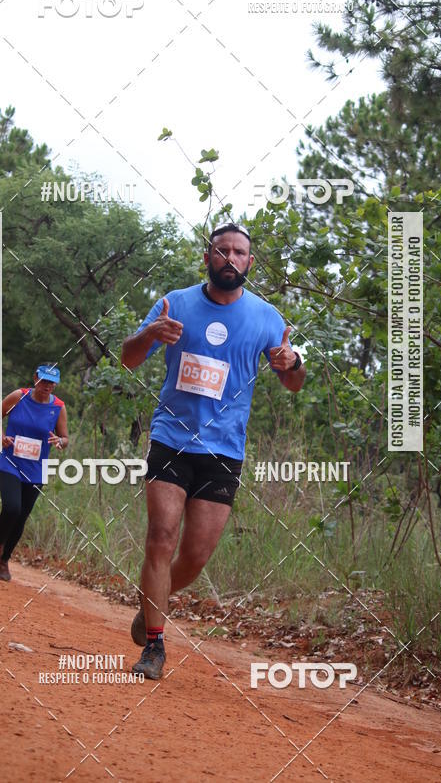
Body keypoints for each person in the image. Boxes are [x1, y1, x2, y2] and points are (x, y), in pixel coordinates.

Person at [121, 223, 306, 679]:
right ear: (208, 257)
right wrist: (150, 335)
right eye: (221, 250)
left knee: (195, 557)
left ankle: (151, 608)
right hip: (171, 439)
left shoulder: (266, 318)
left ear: (249, 262)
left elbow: (293, 384)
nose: (229, 257)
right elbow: (128, 358)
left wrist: (294, 363)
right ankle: (156, 647)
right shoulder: (175, 303)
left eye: (238, 252)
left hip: (224, 450)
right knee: (160, 538)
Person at [0, 364, 68, 581]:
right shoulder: (19, 396)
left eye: (51, 383)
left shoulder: (58, 407)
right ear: (35, 379)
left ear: (55, 384)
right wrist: (1, 437)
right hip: (10, 462)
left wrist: (59, 441)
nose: (47, 386)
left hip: (36, 469)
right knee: (12, 507)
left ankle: (4, 560)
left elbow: (65, 438)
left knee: (22, 516)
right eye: (43, 381)